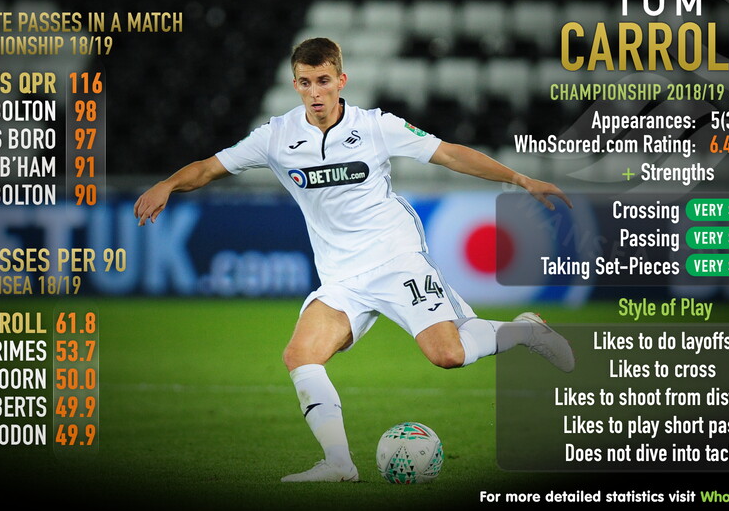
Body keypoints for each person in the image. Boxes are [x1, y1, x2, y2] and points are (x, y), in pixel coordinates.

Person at [134, 37, 575, 483]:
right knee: (300, 355)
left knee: (448, 355)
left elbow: (448, 153)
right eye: (306, 82)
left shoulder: (376, 126)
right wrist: (167, 184)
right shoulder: (276, 136)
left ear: (341, 80)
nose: (315, 92)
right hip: (342, 276)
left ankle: (526, 331)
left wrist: (520, 178)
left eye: (324, 81)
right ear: (295, 84)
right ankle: (339, 464)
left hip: (395, 257)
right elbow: (209, 167)